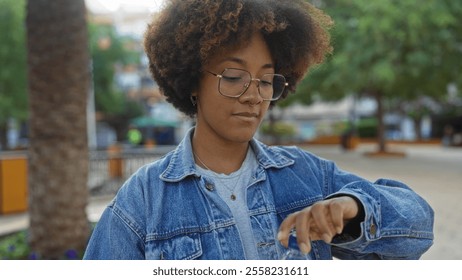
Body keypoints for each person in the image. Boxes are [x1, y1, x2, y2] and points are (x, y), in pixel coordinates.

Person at [84, 0, 434, 260]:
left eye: (266, 81)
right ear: (192, 81)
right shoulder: (143, 201)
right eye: (234, 77)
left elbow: (418, 228)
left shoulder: (306, 176)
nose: (254, 96)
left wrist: (352, 209)